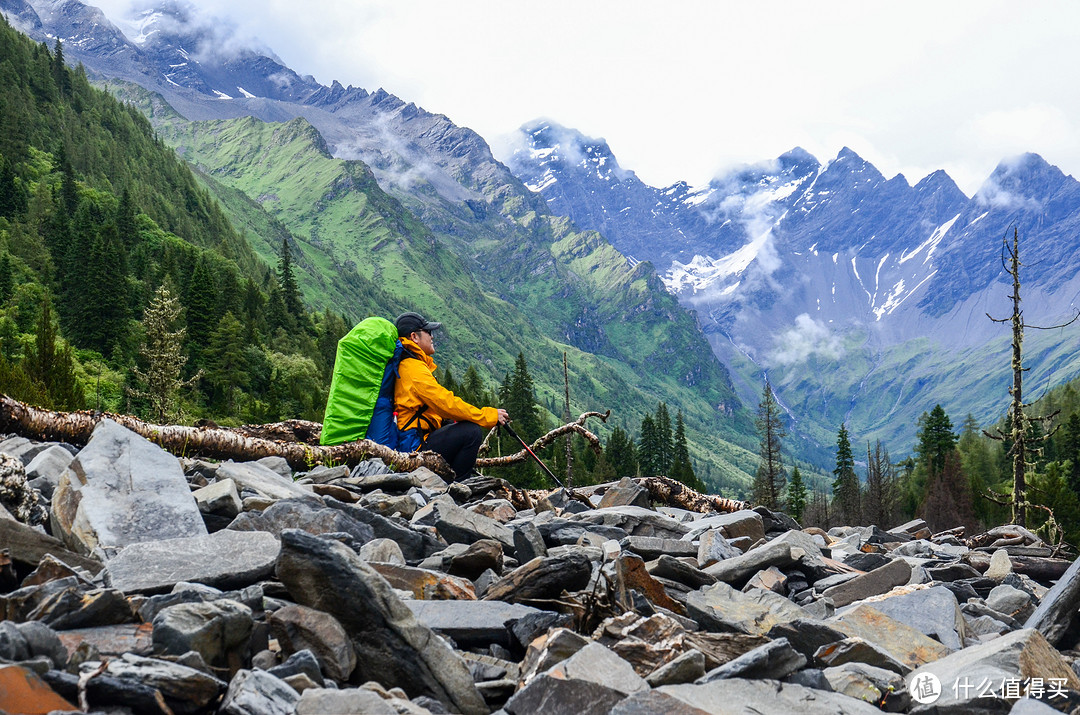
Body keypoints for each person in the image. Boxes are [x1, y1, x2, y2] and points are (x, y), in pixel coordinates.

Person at [394, 311, 509, 480]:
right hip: (415, 449)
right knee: (471, 432)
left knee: (456, 425)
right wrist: (487, 415)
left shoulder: (409, 364)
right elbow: (445, 403)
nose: (432, 337)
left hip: (413, 442)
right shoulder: (412, 368)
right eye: (428, 332)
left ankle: (451, 481)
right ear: (414, 337)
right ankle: (457, 488)